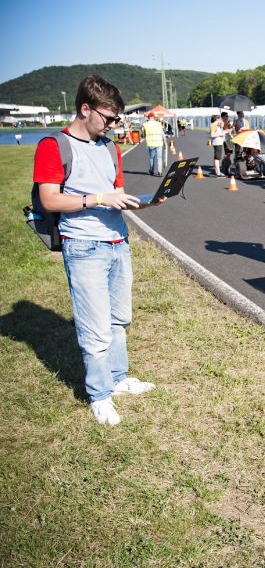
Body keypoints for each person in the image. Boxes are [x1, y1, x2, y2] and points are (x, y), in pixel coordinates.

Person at [33, 75, 161, 425]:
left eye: (117, 119)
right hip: (84, 244)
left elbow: (115, 192)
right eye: (108, 118)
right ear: (85, 109)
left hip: (118, 241)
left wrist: (137, 203)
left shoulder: (110, 148)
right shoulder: (53, 145)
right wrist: (99, 198)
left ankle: (118, 379)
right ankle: (99, 394)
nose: (113, 125)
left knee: (120, 319)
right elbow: (49, 198)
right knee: (96, 327)